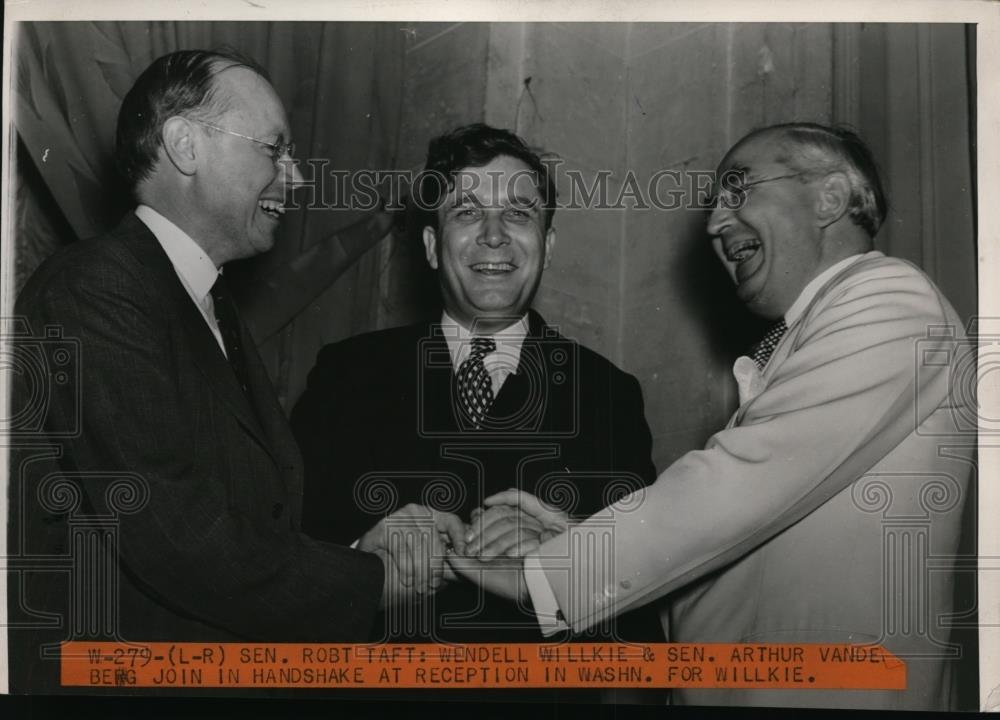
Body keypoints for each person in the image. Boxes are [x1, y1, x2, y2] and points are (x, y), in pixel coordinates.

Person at [458, 122, 975, 710]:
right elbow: (731, 557)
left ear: (831, 197)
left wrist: (556, 570)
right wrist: (577, 538)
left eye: (738, 190)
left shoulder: (892, 296)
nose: (714, 224)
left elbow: (745, 477)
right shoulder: (804, 340)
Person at [7, 49, 462, 692]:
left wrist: (362, 551)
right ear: (184, 144)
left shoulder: (202, 299)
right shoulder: (95, 290)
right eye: (274, 150)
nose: (297, 179)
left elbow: (242, 519)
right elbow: (176, 534)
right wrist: (378, 579)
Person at [291, 123, 665, 652]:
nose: (494, 234)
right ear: (431, 245)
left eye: (518, 214)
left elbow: (638, 598)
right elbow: (281, 557)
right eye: (466, 212)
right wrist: (362, 553)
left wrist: (565, 556)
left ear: (548, 245)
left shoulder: (610, 394)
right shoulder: (345, 373)